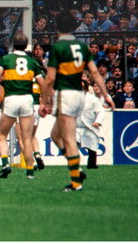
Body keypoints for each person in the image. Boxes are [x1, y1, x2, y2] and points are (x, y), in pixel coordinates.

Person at [39, 11, 114, 192]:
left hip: (66, 95)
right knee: (55, 136)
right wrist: (106, 95)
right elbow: (95, 73)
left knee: (69, 138)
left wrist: (44, 102)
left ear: (57, 27)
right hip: (78, 96)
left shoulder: (58, 47)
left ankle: (76, 182)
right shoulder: (81, 46)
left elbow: (49, 79)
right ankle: (77, 170)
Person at [0, 33, 45, 180]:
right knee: (27, 137)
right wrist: (45, 102)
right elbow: (43, 84)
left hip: (11, 98)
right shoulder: (32, 62)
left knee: (2, 135)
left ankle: (5, 164)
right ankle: (29, 172)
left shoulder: (6, 59)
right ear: (26, 46)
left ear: (12, 45)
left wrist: (6, 80)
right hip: (27, 99)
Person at [76, 79, 107, 170]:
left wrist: (98, 121)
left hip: (90, 126)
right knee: (73, 145)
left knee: (92, 147)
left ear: (85, 89)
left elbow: (101, 111)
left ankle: (92, 165)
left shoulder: (93, 99)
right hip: (76, 127)